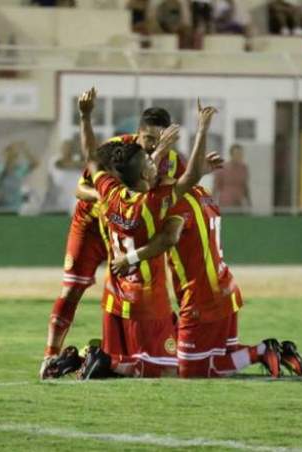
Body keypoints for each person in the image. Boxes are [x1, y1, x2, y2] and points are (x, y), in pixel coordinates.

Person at [76, 89, 221, 379]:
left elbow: (91, 157)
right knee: (164, 370)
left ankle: (99, 359)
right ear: (144, 175)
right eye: (151, 164)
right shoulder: (151, 205)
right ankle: (102, 361)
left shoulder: (110, 192)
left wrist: (86, 116)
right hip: (146, 296)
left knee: (126, 356)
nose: (156, 164)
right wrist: (202, 129)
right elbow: (189, 179)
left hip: (114, 292)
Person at [39, 106, 187, 379]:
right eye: (147, 138)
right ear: (137, 133)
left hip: (129, 229)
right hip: (92, 226)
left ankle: (99, 356)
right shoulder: (117, 151)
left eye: (158, 139)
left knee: (141, 291)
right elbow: (80, 188)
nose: (151, 144)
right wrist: (107, 200)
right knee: (72, 290)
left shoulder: (175, 162)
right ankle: (51, 357)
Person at [111, 184, 302, 378]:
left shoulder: (176, 201)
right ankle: (279, 353)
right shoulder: (203, 192)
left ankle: (260, 351)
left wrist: (130, 258)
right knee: (224, 354)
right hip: (225, 288)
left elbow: (168, 238)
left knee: (191, 370)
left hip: (201, 296)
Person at [0, 142, 38, 211]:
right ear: (5, 155)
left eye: (14, 155)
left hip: (17, 207)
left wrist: (26, 150)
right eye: (10, 155)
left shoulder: (20, 168)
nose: (12, 158)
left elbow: (35, 163)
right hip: (2, 207)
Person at [48, 140, 85, 214]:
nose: (67, 150)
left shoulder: (77, 159)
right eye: (65, 148)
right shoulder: (55, 160)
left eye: (70, 148)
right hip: (60, 197)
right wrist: (76, 165)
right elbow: (61, 164)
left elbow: (87, 165)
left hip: (76, 197)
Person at [213, 143, 250, 208]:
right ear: (231, 154)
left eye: (240, 154)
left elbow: (245, 186)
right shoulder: (222, 168)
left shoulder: (244, 168)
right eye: (236, 154)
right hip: (226, 203)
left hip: (239, 203)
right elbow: (215, 187)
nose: (239, 156)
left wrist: (249, 203)